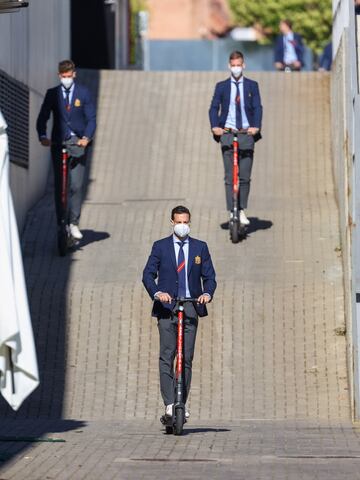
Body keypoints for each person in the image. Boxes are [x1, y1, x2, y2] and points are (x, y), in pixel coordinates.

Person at [142, 205, 217, 419]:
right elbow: (148, 274)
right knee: (167, 355)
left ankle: (180, 404)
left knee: (186, 358)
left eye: (186, 222)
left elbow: (210, 277)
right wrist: (157, 292)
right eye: (179, 222)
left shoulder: (200, 248)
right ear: (172, 222)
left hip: (191, 305)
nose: (183, 226)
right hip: (167, 307)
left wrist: (207, 294)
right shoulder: (160, 247)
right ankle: (168, 404)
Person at [36, 60, 96, 240]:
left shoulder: (83, 93)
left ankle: (74, 222)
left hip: (77, 145)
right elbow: (42, 117)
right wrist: (42, 136)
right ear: (59, 76)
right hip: (58, 145)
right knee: (60, 186)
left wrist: (86, 138)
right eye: (63, 77)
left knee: (76, 186)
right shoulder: (52, 94)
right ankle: (60, 222)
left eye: (69, 76)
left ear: (74, 75)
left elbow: (91, 119)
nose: (66, 79)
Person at [208, 50, 263, 227]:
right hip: (227, 133)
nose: (236, 68)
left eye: (239, 65)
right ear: (229, 66)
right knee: (230, 176)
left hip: (246, 134)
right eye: (233, 65)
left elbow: (257, 107)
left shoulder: (252, 86)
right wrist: (215, 126)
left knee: (245, 176)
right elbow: (213, 107)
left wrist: (256, 127)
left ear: (243, 65)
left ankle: (241, 209)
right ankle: (233, 209)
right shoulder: (222, 86)